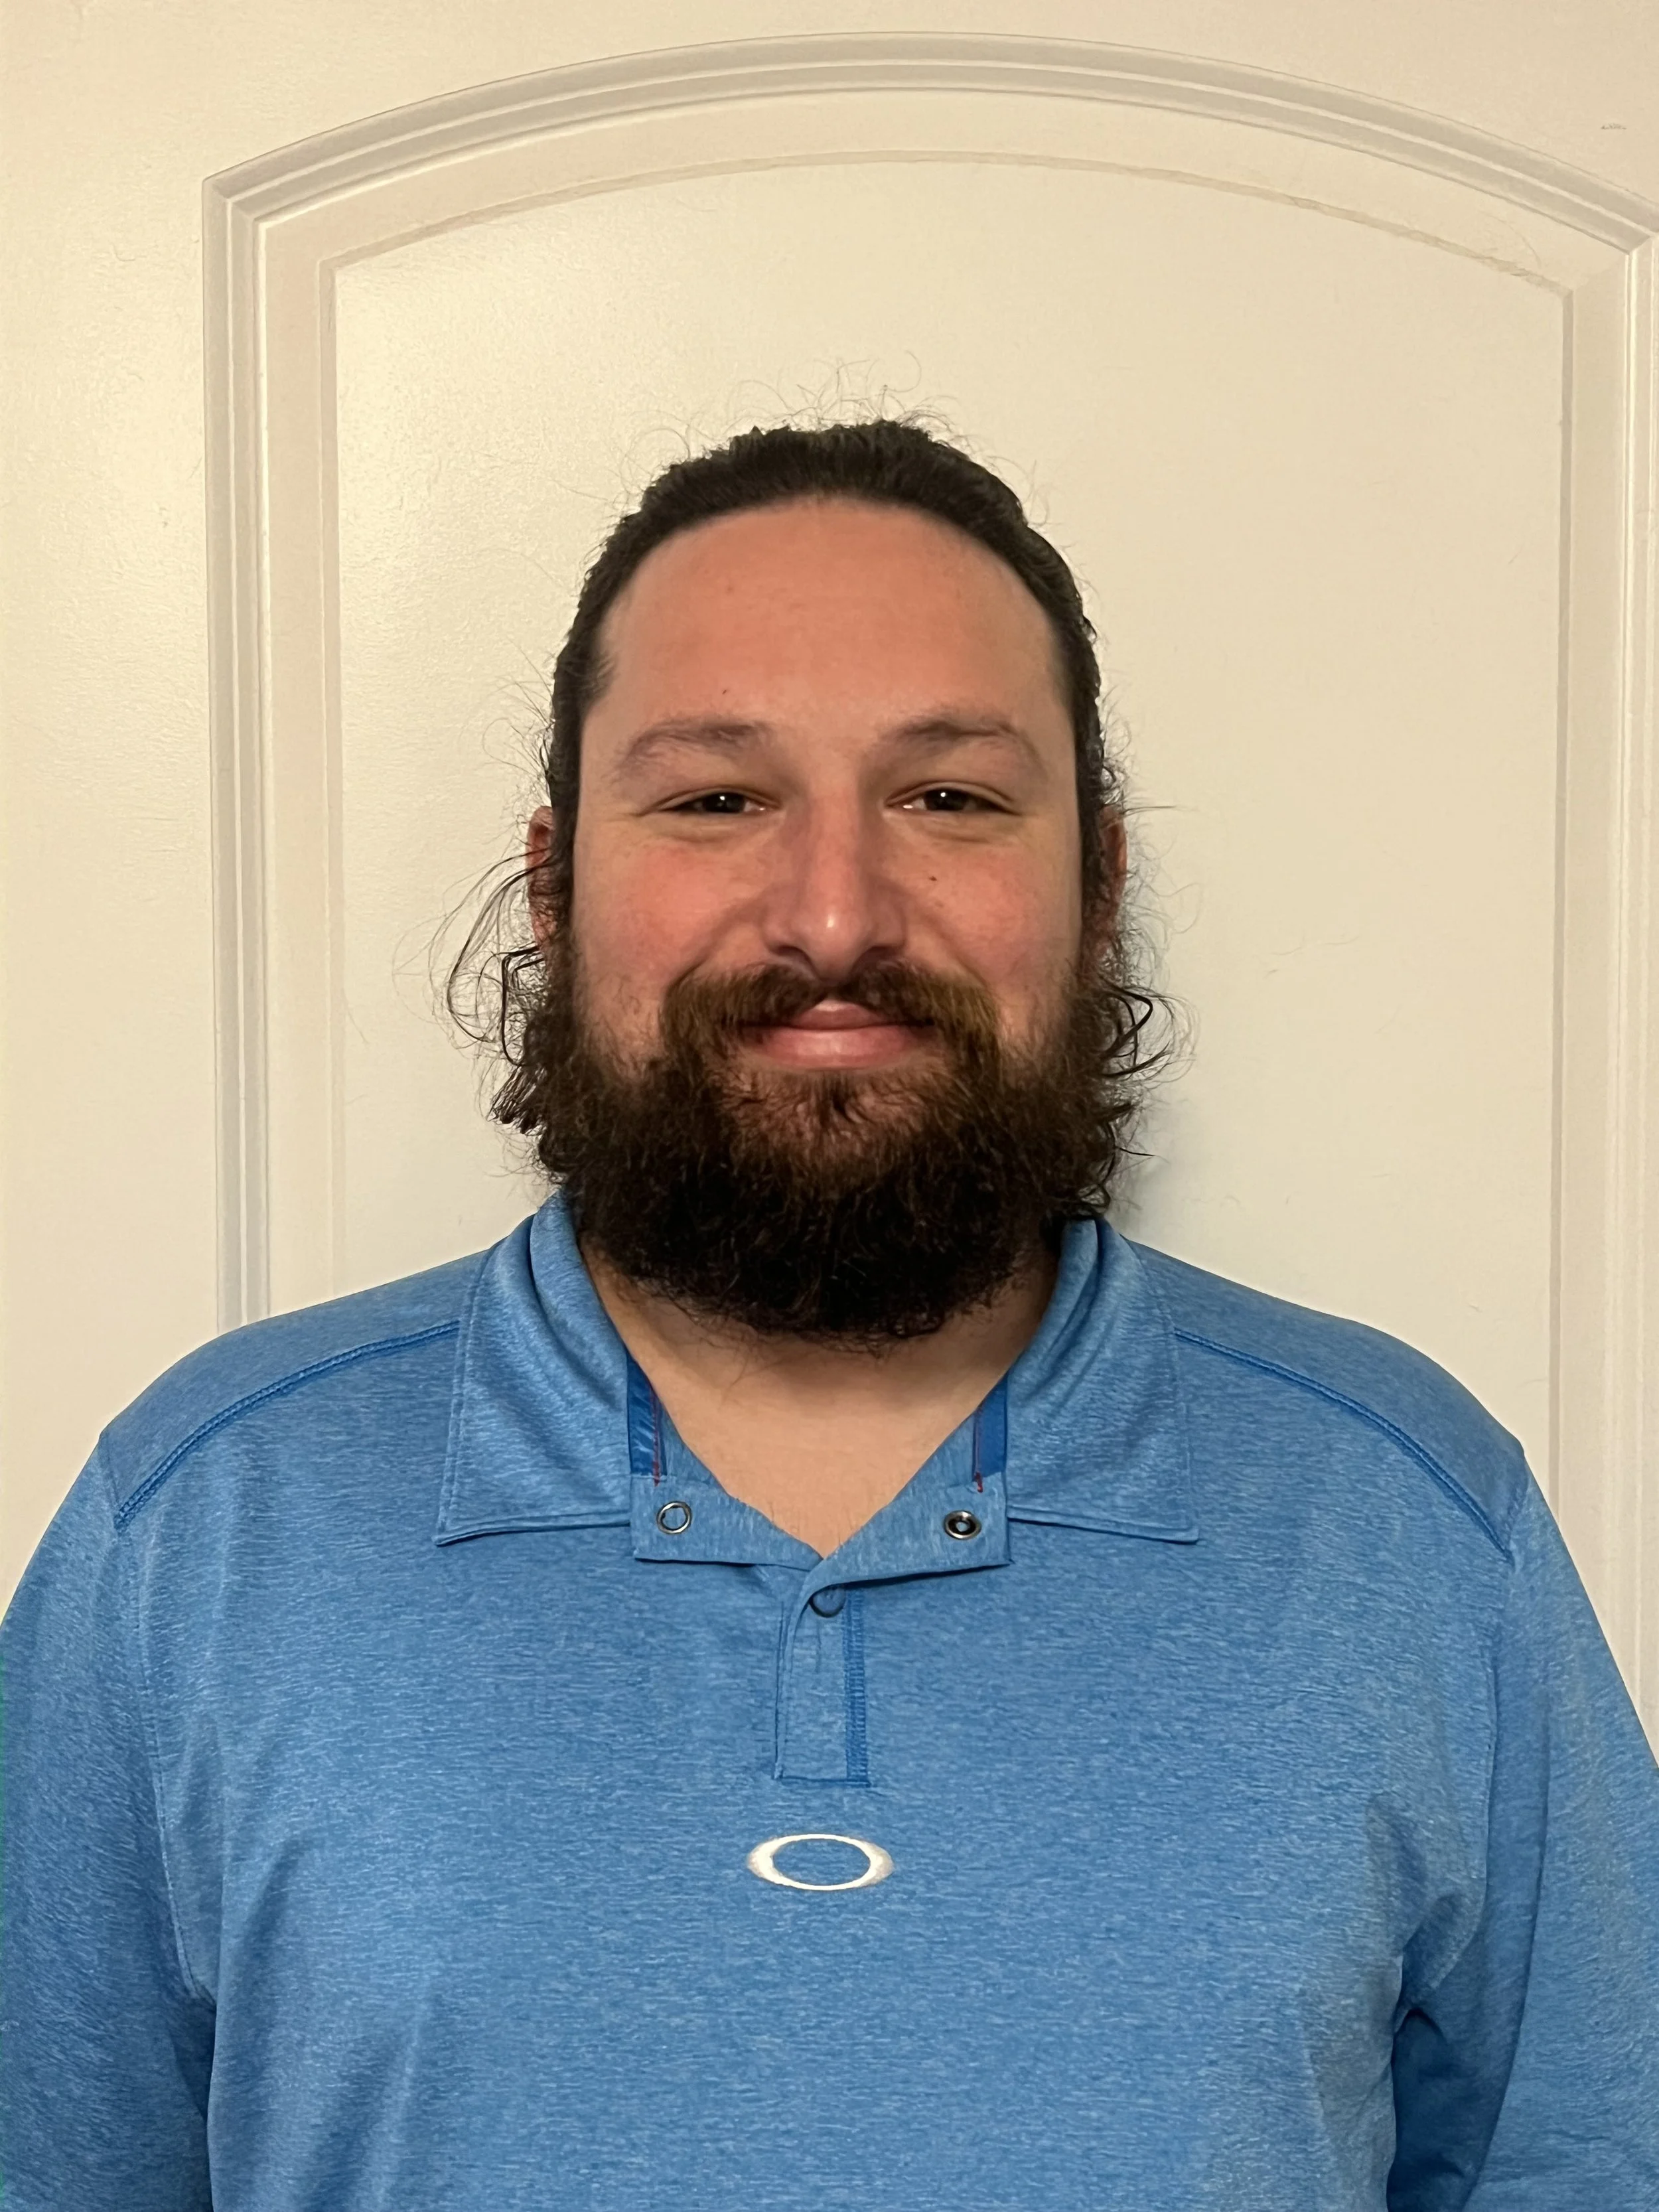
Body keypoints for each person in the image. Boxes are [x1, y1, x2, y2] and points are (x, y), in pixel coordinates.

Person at [2, 418, 1655, 2211]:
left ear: (1096, 887)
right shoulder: (199, 1528)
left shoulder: (1403, 1521)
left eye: (946, 796)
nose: (834, 911)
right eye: (716, 796)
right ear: (556, 883)